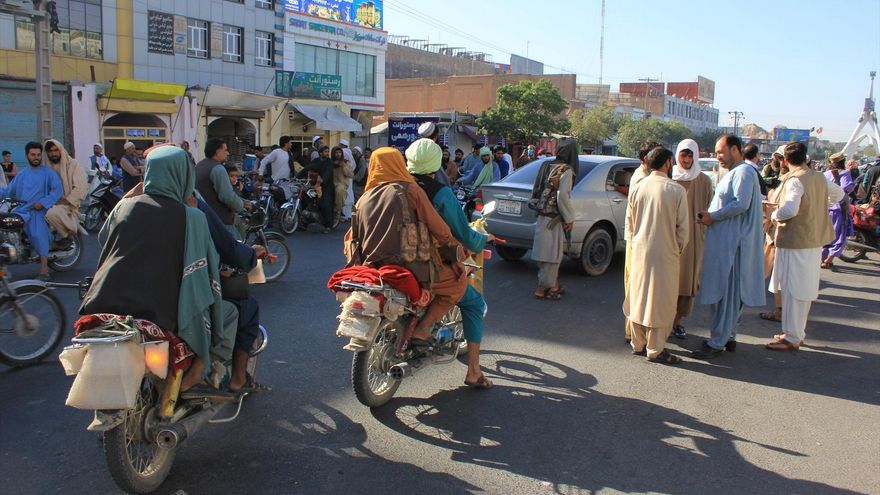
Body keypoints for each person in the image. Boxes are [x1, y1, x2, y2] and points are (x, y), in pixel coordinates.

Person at [80, 145, 237, 397]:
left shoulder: (124, 208)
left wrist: (134, 192)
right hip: (163, 313)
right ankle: (198, 372)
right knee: (227, 313)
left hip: (104, 304)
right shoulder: (191, 216)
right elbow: (209, 264)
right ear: (184, 175)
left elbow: (103, 238)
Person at [344, 147, 461, 344]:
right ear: (400, 164)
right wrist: (455, 248)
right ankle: (422, 329)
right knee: (458, 284)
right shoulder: (411, 191)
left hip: (371, 269)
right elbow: (440, 229)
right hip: (410, 267)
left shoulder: (363, 198)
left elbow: (350, 239)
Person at [405, 138, 496, 388]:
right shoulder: (439, 192)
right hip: (425, 263)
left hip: (389, 260)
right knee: (474, 303)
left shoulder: (392, 186)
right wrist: (480, 239)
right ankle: (474, 371)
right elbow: (461, 232)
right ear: (437, 163)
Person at [691, 135, 765, 359]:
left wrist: (712, 216)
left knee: (727, 296)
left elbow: (740, 204)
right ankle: (728, 336)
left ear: (735, 149)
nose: (717, 156)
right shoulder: (737, 172)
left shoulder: (742, 172)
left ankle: (717, 342)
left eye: (720, 152)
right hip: (730, 243)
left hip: (733, 246)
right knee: (730, 296)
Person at [766, 142, 845, 351]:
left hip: (796, 241)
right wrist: (818, 207)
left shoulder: (795, 180)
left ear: (784, 161)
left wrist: (774, 215)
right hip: (813, 242)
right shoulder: (818, 176)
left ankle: (791, 337)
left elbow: (790, 210)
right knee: (803, 289)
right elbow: (839, 195)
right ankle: (795, 333)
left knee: (793, 290)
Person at [623, 147, 690, 364]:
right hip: (665, 253)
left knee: (638, 296)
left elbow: (630, 224)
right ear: (668, 163)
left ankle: (638, 343)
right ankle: (655, 348)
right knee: (661, 301)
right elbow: (683, 231)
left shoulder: (638, 187)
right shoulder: (676, 190)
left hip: (639, 251)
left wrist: (635, 245)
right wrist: (676, 249)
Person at [0, 142, 62, 280]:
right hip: (21, 210)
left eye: (38, 155)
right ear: (27, 155)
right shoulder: (22, 174)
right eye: (33, 155)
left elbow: (57, 191)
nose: (36, 157)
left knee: (36, 232)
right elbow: (8, 191)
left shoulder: (48, 173)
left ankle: (44, 270)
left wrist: (43, 202)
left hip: (38, 211)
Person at [671, 139, 713, 340]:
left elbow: (708, 209)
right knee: (668, 282)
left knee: (687, 284)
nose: (687, 160)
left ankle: (678, 322)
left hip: (694, 239)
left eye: (690, 156)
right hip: (671, 237)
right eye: (683, 155)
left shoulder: (704, 181)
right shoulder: (669, 177)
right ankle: (664, 321)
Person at [622, 141, 661, 344]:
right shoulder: (642, 178)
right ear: (647, 159)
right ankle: (633, 332)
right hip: (637, 240)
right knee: (636, 287)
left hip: (637, 238)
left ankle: (636, 331)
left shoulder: (644, 176)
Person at [530, 140, 577, 300]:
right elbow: (563, 195)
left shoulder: (546, 166)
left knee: (544, 253)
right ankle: (543, 288)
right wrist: (569, 218)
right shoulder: (566, 170)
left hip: (542, 216)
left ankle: (553, 285)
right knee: (553, 255)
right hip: (554, 220)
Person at [196, 138, 248, 240]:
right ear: (217, 151)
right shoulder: (217, 169)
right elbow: (227, 196)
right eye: (225, 150)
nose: (227, 153)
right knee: (237, 249)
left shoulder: (200, 165)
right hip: (220, 219)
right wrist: (241, 205)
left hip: (204, 216)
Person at [43, 139, 87, 250]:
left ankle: (68, 235)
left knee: (51, 213)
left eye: (55, 150)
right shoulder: (45, 167)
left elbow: (80, 187)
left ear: (61, 150)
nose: (53, 153)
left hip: (69, 205)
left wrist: (65, 201)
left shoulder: (72, 164)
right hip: (50, 202)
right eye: (50, 151)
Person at [820, 152, 855, 269]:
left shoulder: (825, 174)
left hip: (825, 207)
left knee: (825, 234)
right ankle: (828, 260)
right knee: (839, 235)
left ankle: (822, 259)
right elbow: (846, 188)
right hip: (839, 208)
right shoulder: (845, 173)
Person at [298, 145, 335, 233]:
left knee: (326, 204)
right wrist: (297, 177)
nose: (327, 153)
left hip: (326, 186)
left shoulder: (329, 162)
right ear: (320, 153)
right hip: (314, 185)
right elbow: (307, 168)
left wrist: (323, 180)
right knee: (305, 199)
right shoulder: (316, 161)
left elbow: (328, 173)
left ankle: (328, 226)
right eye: (325, 151)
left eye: (327, 151)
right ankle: (304, 223)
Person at [331, 146, 354, 222]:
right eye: (336, 152)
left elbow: (350, 174)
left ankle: (338, 210)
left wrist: (343, 166)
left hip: (341, 184)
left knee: (339, 190)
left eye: (339, 152)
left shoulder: (345, 162)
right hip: (331, 183)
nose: (338, 154)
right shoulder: (330, 162)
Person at [339, 139, 357, 219]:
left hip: (345, 176)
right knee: (349, 193)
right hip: (349, 176)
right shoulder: (349, 152)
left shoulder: (343, 152)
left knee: (345, 194)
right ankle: (349, 215)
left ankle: (345, 216)